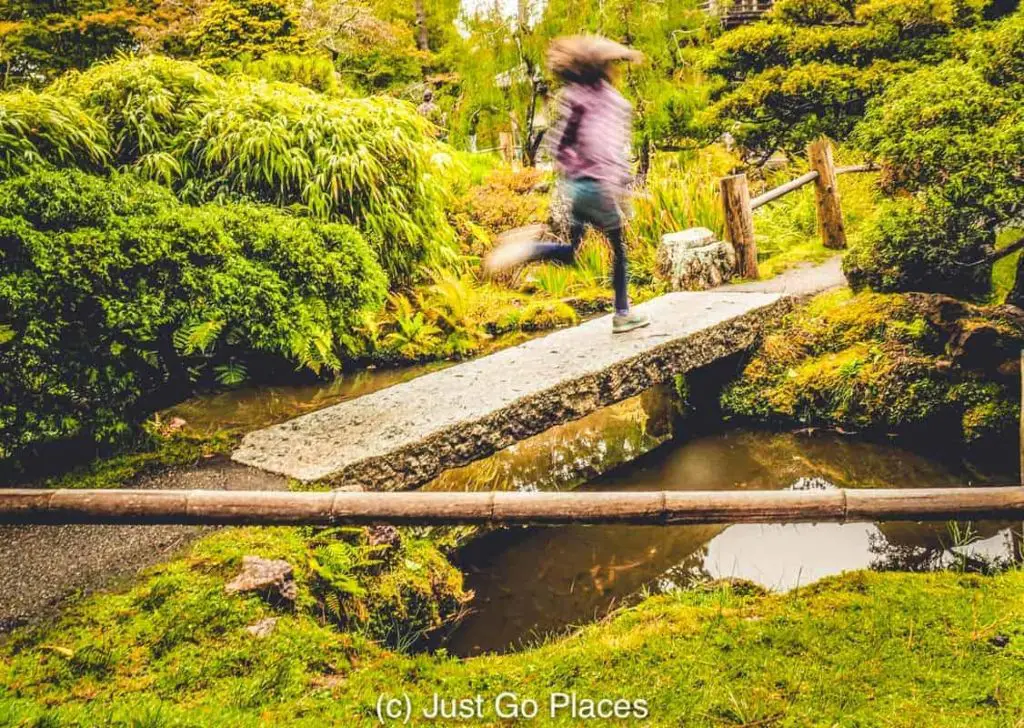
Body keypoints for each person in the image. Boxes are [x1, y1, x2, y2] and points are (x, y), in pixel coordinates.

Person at [484, 35, 650, 334]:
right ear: (605, 68)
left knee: (572, 251)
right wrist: (619, 189)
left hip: (575, 188)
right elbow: (608, 150)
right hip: (599, 186)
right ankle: (623, 313)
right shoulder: (613, 102)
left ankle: (527, 250)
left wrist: (572, 176)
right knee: (619, 250)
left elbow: (558, 146)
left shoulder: (573, 97)